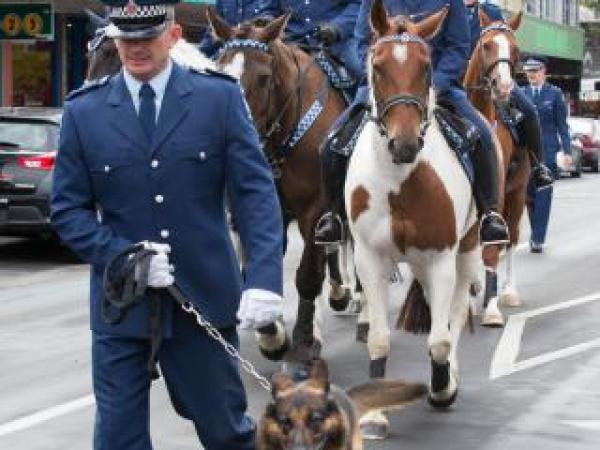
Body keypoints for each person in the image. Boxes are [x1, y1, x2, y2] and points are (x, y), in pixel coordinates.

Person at [50, 1, 283, 448]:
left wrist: (264, 278)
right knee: (117, 439)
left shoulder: (218, 97)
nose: (136, 48)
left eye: (147, 38)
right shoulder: (85, 112)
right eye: (126, 39)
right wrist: (121, 254)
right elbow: (68, 211)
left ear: (174, 37)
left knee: (225, 433)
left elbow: (254, 194)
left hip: (203, 301)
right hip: (122, 304)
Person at [314, 0, 510, 246]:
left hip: (436, 85)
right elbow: (360, 44)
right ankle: (333, 217)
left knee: (482, 135)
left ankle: (490, 214)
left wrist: (430, 85)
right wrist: (380, 75)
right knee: (332, 142)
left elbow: (458, 48)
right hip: (384, 88)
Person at [465, 0, 554, 190]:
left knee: (529, 109)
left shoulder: (491, 10)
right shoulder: (449, 9)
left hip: (494, 73)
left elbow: (503, 40)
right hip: (459, 74)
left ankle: (539, 166)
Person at [522, 56, 572, 253]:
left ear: (544, 72)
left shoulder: (555, 94)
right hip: (526, 155)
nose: (531, 75)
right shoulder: (521, 93)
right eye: (528, 71)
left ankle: (537, 238)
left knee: (543, 195)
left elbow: (562, 126)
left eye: (535, 71)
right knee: (529, 197)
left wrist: (567, 151)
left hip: (547, 153)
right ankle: (536, 232)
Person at [199, 0, 278, 57]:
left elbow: (270, 19)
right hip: (227, 55)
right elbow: (211, 35)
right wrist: (199, 55)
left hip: (255, 58)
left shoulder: (268, 3)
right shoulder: (223, 1)